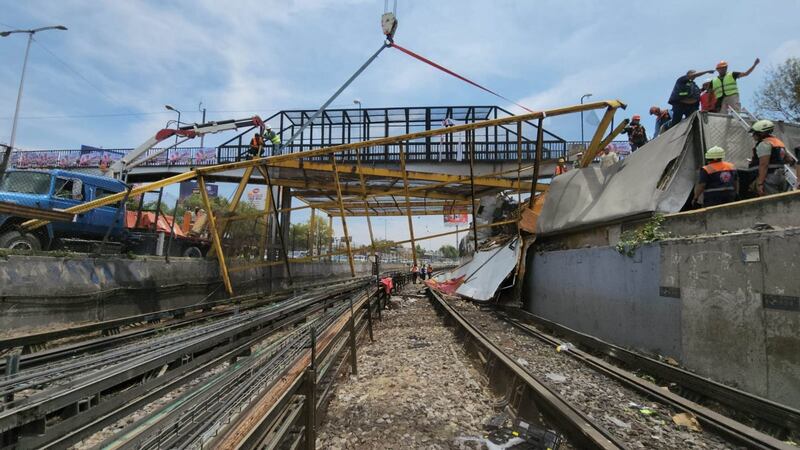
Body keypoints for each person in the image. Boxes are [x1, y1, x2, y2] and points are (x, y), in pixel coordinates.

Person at [747, 119, 794, 196]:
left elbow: (764, 164)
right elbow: (789, 159)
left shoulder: (764, 144)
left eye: (754, 133)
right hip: (781, 176)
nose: (753, 135)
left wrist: (760, 183)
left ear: (761, 133)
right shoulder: (778, 142)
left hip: (769, 177)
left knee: (770, 203)